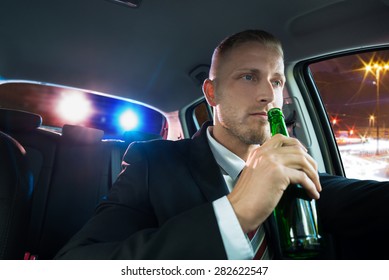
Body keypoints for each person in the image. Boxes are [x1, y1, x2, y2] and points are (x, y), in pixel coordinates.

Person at [55, 29, 389, 260]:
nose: (268, 95)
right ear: (211, 93)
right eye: (248, 76)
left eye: (276, 81)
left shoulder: (293, 167)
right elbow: (76, 264)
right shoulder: (153, 162)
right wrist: (234, 215)